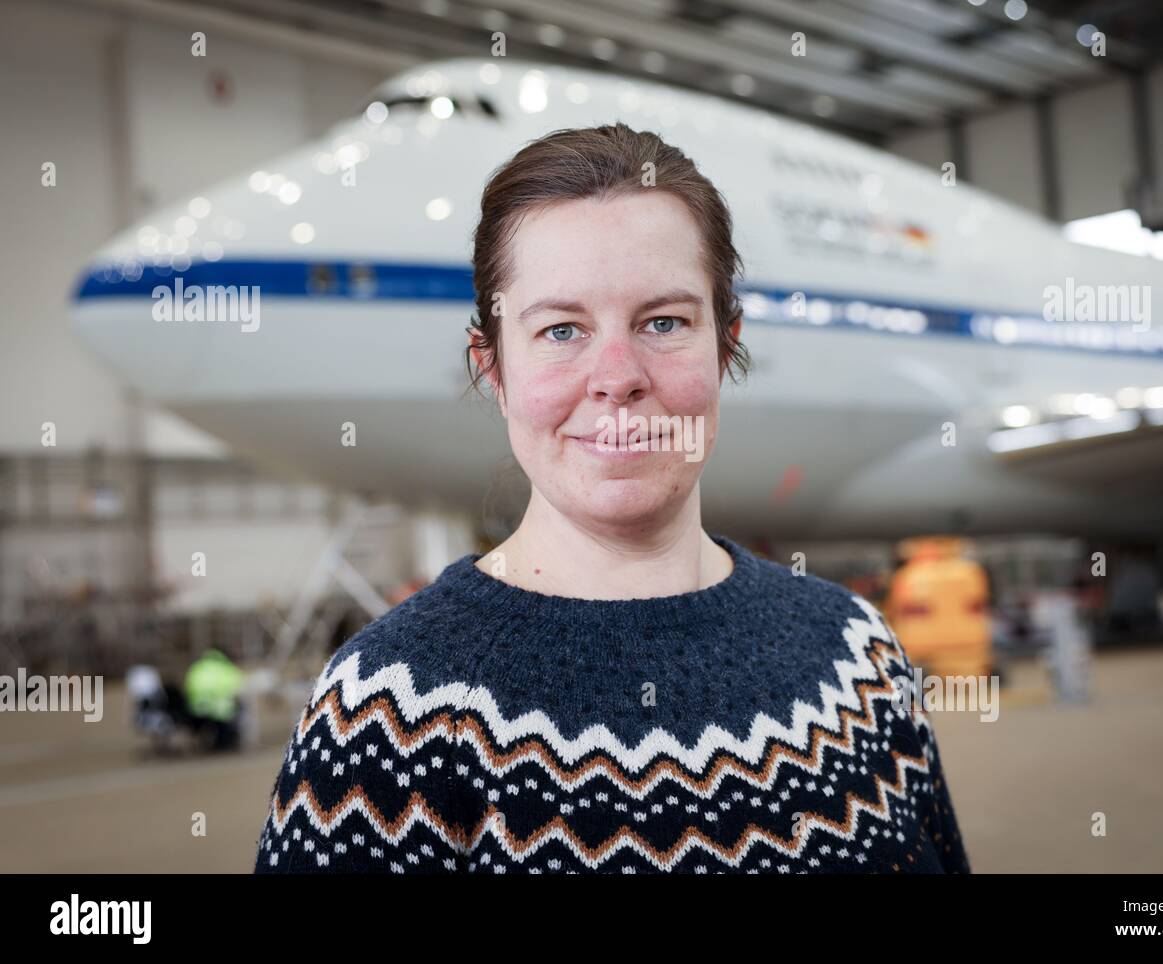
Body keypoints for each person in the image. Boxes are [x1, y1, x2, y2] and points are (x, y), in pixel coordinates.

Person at [253, 122, 970, 874]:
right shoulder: (383, 715)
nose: (616, 375)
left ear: (726, 346)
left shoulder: (857, 660)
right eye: (562, 330)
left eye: (664, 322)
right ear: (493, 369)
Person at [184, 647, 245, 751]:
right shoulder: (227, 668)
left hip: (196, 708)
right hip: (220, 709)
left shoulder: (196, 668)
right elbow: (238, 690)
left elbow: (188, 688)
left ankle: (207, 741)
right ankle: (223, 744)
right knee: (231, 716)